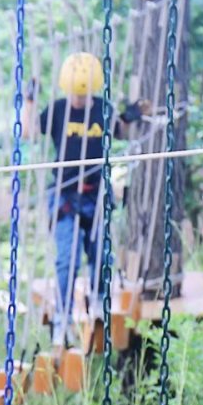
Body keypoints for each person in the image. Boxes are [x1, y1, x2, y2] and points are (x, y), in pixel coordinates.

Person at [25, 52, 145, 343]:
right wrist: (28, 100)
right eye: (74, 95)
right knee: (67, 260)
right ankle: (63, 317)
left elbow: (123, 133)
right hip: (65, 195)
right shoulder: (57, 110)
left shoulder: (103, 110)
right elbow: (29, 133)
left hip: (96, 194)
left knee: (101, 255)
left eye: (82, 95)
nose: (78, 100)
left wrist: (130, 115)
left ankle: (100, 301)